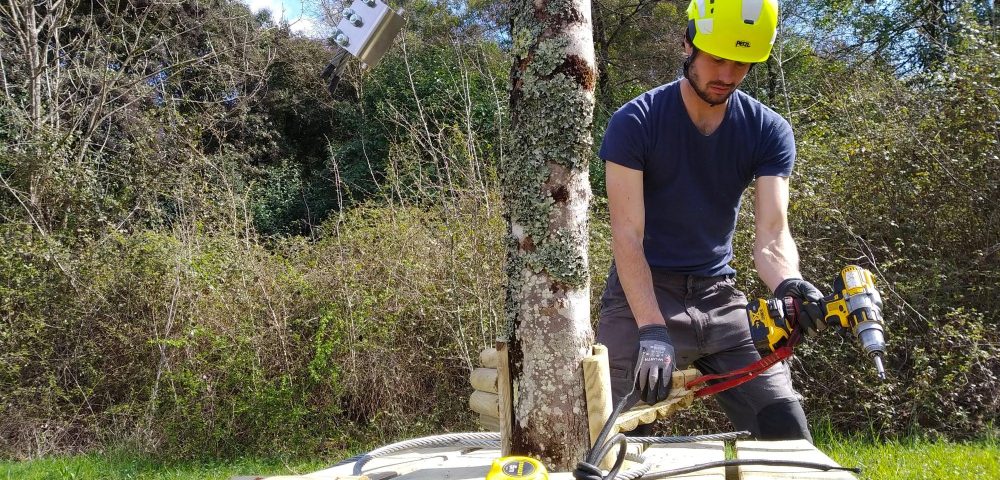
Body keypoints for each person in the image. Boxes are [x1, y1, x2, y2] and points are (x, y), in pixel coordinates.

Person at [596, 0, 825, 441]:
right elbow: (627, 236)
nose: (727, 74)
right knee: (613, 436)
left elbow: (773, 236)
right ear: (688, 43)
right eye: (717, 58)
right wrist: (652, 328)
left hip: (720, 298)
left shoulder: (768, 130)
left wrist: (789, 284)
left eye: (741, 63)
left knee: (785, 428)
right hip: (641, 294)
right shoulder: (635, 122)